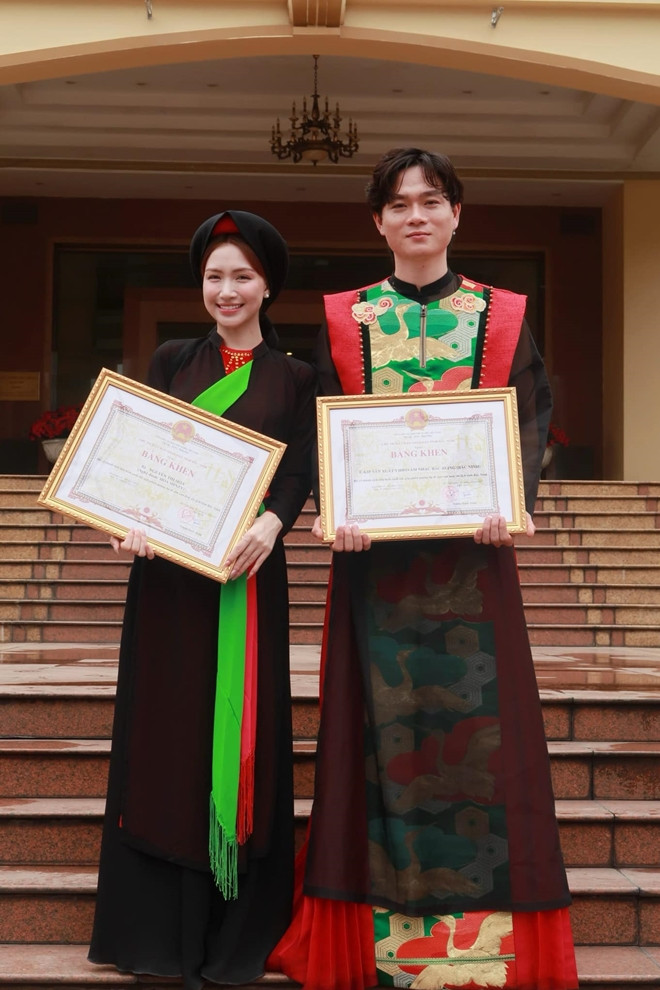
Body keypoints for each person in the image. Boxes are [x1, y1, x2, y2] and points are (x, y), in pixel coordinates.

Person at [270, 149, 578, 989]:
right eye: (400, 203)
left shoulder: (500, 315)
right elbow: (324, 426)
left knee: (488, 742)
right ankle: (370, 946)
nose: (417, 215)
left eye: (432, 201)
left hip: (474, 562)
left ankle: (487, 954)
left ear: (455, 214)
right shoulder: (348, 318)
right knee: (372, 737)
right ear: (378, 221)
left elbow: (530, 415)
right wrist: (335, 506)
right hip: (374, 570)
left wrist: (512, 499)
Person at [88, 211, 316, 989]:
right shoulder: (170, 361)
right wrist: (127, 518)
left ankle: (233, 934)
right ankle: (158, 934)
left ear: (267, 286)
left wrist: (274, 523)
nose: (228, 290)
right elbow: (138, 457)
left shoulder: (295, 377)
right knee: (166, 732)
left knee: (242, 732)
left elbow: (298, 471)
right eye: (215, 276)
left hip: (247, 578)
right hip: (169, 585)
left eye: (242, 276)